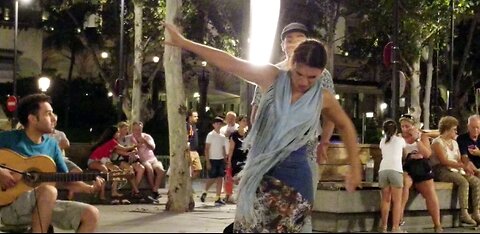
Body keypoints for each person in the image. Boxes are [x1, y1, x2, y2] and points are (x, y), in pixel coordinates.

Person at [164, 22, 361, 232]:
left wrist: (354, 168)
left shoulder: (323, 97)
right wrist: (184, 43)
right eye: (299, 74)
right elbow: (229, 62)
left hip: (294, 179)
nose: (304, 82)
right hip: (260, 172)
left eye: (312, 77)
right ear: (291, 63)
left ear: (321, 73)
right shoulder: (272, 77)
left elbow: (346, 126)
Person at [0, 93, 100, 232]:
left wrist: (89, 188)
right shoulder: (8, 138)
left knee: (91, 214)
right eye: (48, 114)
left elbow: (65, 178)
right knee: (49, 190)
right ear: (33, 119)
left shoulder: (52, 145)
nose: (54, 118)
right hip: (7, 207)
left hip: (42, 204)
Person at [430, 116, 480, 225]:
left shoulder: (454, 142)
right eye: (454, 129)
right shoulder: (437, 142)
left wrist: (466, 167)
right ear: (447, 129)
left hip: (455, 168)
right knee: (463, 182)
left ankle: (476, 211)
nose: (456, 131)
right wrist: (462, 165)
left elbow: (459, 158)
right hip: (441, 169)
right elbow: (444, 161)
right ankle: (464, 213)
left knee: (476, 181)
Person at [398, 114, 442, 232]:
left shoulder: (422, 137)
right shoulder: (399, 138)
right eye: (402, 126)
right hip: (407, 167)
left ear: (413, 126)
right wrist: (409, 155)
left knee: (430, 192)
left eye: (407, 126)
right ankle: (398, 219)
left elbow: (427, 154)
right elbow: (399, 156)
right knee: (403, 185)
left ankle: (437, 225)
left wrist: (417, 139)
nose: (405, 129)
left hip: (421, 166)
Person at [49, 113, 105, 201]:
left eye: (54, 121)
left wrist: (90, 188)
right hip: (47, 162)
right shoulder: (40, 134)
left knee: (76, 173)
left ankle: (75, 189)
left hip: (60, 159)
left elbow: (66, 144)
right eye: (51, 121)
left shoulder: (59, 133)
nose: (53, 123)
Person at [87, 126, 139, 204]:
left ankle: (114, 191)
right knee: (104, 170)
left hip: (104, 161)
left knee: (117, 170)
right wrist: (136, 145)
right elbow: (125, 149)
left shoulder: (112, 142)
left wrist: (132, 151)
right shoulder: (112, 142)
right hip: (94, 161)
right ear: (113, 134)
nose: (119, 134)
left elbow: (123, 152)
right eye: (117, 132)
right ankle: (102, 196)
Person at [378, 119, 406, 233]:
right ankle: (395, 227)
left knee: (385, 200)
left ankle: (384, 226)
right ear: (396, 129)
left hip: (383, 170)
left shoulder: (382, 141)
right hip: (396, 169)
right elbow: (405, 153)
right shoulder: (400, 140)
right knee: (397, 201)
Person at [130, 121, 165, 203]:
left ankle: (155, 190)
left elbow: (153, 147)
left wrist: (145, 142)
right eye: (135, 130)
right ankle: (153, 191)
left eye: (139, 130)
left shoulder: (147, 136)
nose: (137, 132)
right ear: (132, 130)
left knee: (161, 170)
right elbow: (129, 150)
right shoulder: (130, 138)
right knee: (149, 168)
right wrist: (136, 146)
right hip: (142, 160)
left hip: (152, 159)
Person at [112, 121, 145, 200]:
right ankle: (136, 192)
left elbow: (134, 147)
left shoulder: (129, 138)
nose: (125, 131)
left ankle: (133, 191)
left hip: (128, 159)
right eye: (124, 129)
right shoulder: (115, 138)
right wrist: (129, 153)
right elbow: (117, 151)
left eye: (126, 129)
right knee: (129, 170)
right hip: (118, 159)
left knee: (141, 168)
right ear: (119, 129)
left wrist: (134, 151)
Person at [200, 117, 229, 206]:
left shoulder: (222, 136)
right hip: (213, 159)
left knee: (220, 178)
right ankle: (205, 191)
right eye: (216, 123)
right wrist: (207, 161)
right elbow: (207, 149)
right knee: (212, 178)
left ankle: (217, 198)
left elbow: (223, 148)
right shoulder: (210, 135)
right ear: (213, 125)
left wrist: (225, 160)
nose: (218, 125)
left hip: (220, 159)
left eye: (220, 123)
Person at [225, 115, 249, 203]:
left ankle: (241, 196)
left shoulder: (248, 134)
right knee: (236, 178)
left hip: (246, 159)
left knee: (244, 178)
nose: (245, 122)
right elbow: (231, 149)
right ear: (239, 122)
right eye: (243, 120)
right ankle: (232, 195)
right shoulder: (234, 134)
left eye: (246, 121)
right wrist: (229, 161)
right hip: (236, 159)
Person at [187, 111, 203, 179]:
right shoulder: (187, 126)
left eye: (197, 116)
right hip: (189, 151)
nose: (197, 118)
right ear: (190, 117)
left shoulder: (194, 126)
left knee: (198, 169)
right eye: (195, 116)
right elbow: (187, 138)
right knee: (189, 170)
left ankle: (189, 183)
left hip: (195, 151)